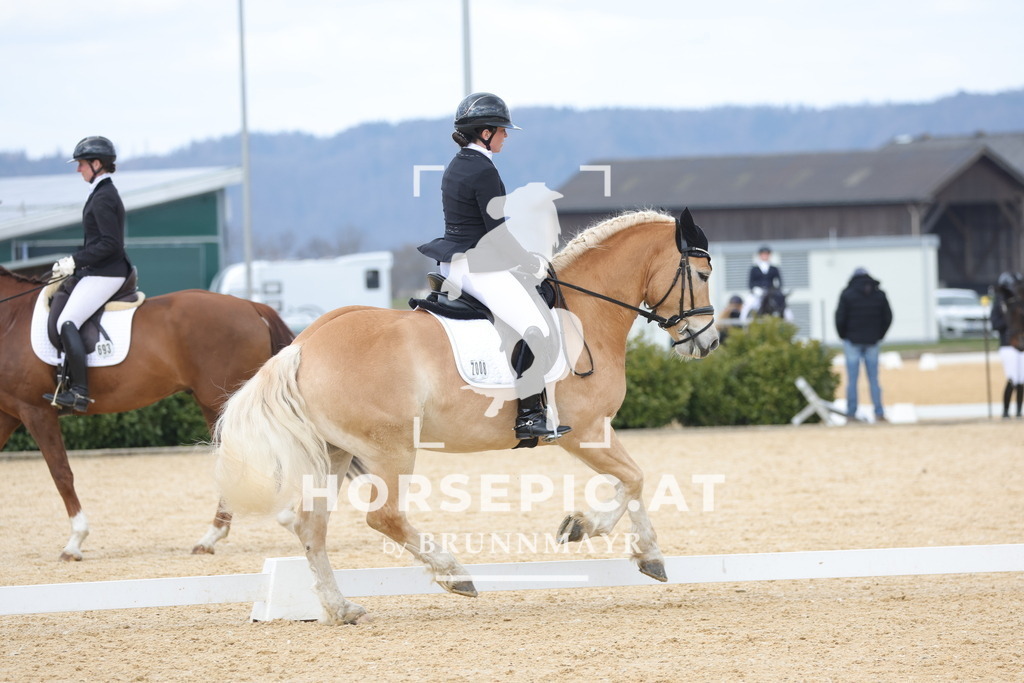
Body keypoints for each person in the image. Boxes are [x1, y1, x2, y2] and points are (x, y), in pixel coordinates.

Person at [417, 93, 570, 441]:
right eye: (501, 130)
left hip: (453, 262)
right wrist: (529, 262)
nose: (506, 136)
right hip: (477, 265)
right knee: (534, 325)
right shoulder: (484, 170)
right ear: (484, 132)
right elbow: (496, 234)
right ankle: (530, 416)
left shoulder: (457, 164)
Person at [43, 136, 133, 412]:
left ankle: (80, 392)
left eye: (81, 164)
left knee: (67, 321)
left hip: (107, 273)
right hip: (98, 271)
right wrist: (75, 263)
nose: (78, 169)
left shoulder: (104, 196)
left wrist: (75, 261)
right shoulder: (100, 192)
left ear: (97, 164)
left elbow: (110, 244)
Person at [835, 267, 893, 422]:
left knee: (852, 380)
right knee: (874, 379)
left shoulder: (847, 294)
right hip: (872, 340)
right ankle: (879, 412)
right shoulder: (879, 295)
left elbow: (840, 318)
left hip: (852, 340)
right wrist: (879, 334)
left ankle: (851, 413)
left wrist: (844, 335)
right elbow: (888, 317)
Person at [989, 271, 1024, 418]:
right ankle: (1005, 411)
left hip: (1021, 345)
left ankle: (1018, 411)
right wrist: (1009, 323)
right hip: (1007, 344)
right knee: (1012, 378)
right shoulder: (999, 305)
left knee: (1021, 379)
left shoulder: (1020, 305)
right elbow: (995, 324)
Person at [742, 245, 782, 319]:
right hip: (757, 292)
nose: (765, 256)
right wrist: (755, 290)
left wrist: (776, 291)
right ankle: (742, 321)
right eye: (763, 254)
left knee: (784, 308)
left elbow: (779, 282)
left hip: (770, 292)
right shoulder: (754, 268)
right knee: (747, 305)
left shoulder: (774, 268)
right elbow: (750, 283)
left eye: (767, 254)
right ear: (760, 255)